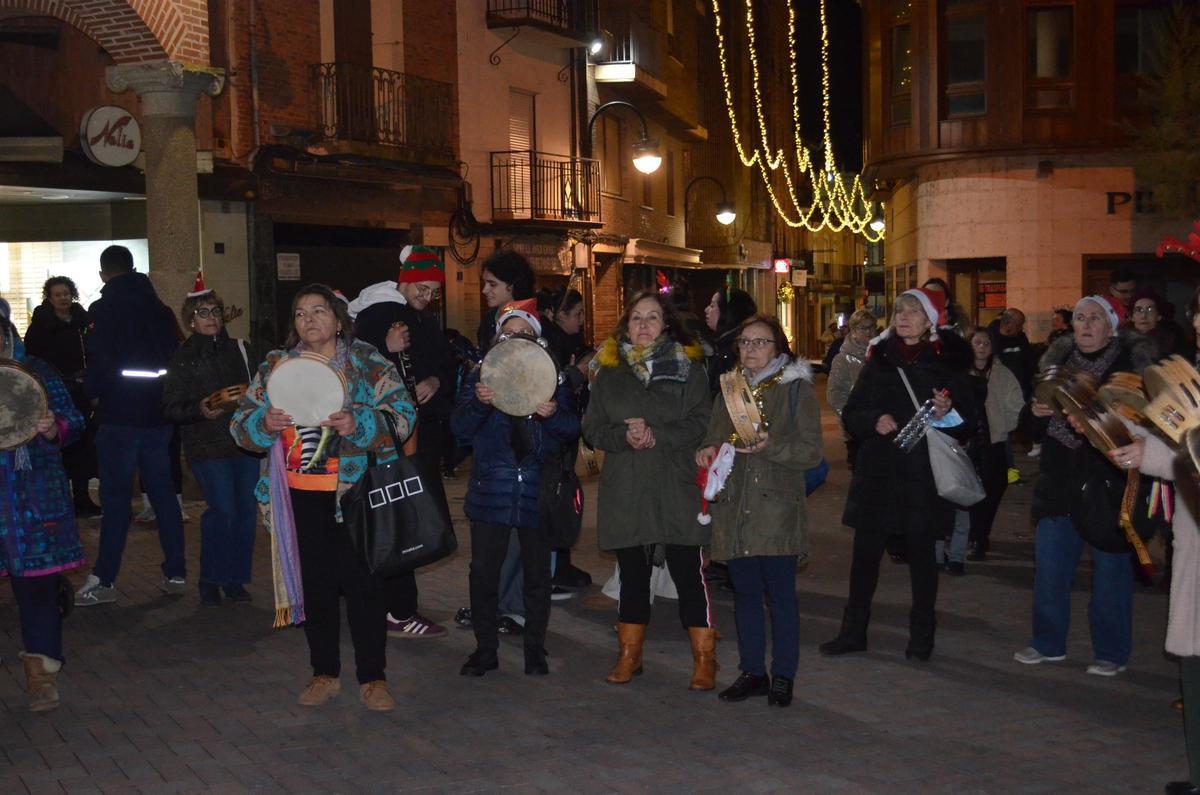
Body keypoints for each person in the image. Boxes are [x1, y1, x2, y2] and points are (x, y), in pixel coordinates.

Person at [230, 284, 416, 711]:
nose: (309, 319)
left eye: (318, 310)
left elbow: (404, 415)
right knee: (315, 587)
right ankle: (324, 673)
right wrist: (264, 423)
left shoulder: (366, 361)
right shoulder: (276, 365)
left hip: (356, 494)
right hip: (299, 496)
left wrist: (360, 422)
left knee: (365, 588)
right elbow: (240, 424)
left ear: (338, 318)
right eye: (300, 313)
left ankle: (373, 678)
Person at [819, 287, 975, 661]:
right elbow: (852, 412)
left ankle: (922, 636)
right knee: (864, 559)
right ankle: (853, 632)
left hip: (921, 479)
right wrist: (874, 420)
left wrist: (947, 413)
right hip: (878, 476)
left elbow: (968, 425)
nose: (902, 317)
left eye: (912, 311)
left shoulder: (947, 364)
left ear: (930, 320)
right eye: (899, 311)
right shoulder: (880, 360)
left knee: (922, 562)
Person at [1013, 294, 1154, 676]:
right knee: (1050, 570)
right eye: (1079, 318)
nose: (1086, 325)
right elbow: (1029, 429)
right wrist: (1035, 412)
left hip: (1107, 485)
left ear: (1111, 326)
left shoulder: (1131, 369)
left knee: (1110, 574)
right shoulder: (1054, 367)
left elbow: (1141, 426)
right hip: (1059, 484)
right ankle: (1047, 643)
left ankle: (1111, 652)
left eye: (1095, 318)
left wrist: (1098, 417)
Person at [582, 290, 715, 689]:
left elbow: (702, 422)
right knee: (633, 575)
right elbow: (592, 428)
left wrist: (659, 434)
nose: (643, 325)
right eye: (636, 318)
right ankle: (630, 654)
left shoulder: (688, 368)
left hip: (675, 484)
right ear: (626, 325)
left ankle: (705, 658)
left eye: (652, 317)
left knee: (688, 571)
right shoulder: (609, 373)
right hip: (628, 486)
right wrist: (623, 436)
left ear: (666, 325)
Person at [697, 315, 822, 708]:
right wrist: (706, 450)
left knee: (781, 597)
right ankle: (752, 671)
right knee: (746, 595)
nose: (750, 349)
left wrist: (772, 447)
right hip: (736, 509)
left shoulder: (795, 388)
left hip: (776, 508)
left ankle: (783, 674)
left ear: (778, 347)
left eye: (760, 342)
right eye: (745, 342)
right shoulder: (729, 388)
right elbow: (713, 435)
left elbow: (811, 452)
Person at [451, 300, 579, 677]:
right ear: (497, 338)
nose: (517, 338)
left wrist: (553, 416)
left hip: (536, 491)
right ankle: (485, 649)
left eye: (524, 332)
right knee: (484, 573)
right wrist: (480, 405)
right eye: (509, 332)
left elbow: (571, 430)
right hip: (491, 489)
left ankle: (534, 649)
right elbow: (459, 430)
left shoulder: (551, 377)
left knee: (537, 575)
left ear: (537, 338)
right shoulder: (481, 375)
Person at [349, 245, 455, 639]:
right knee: (399, 519)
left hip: (416, 435)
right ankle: (398, 609)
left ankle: (393, 604)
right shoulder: (377, 314)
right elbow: (355, 365)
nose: (426, 297)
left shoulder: (420, 318)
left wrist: (436, 381)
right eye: (421, 289)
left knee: (407, 517)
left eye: (433, 292)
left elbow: (443, 363)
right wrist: (385, 348)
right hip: (387, 438)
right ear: (405, 281)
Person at [74, 245, 185, 607]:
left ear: (104, 274)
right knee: (163, 495)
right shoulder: (160, 310)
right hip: (157, 416)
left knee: (116, 500)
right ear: (133, 268)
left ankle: (104, 579)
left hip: (119, 416)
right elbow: (173, 358)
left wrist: (91, 393)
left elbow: (100, 360)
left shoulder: (103, 309)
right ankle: (176, 572)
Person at [0, 299, 85, 711]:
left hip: (32, 499)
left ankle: (41, 674)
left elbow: (75, 419)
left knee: (37, 588)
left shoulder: (37, 371)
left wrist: (55, 427)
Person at [161, 282, 260, 606]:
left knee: (245, 513)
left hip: (243, 442)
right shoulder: (183, 358)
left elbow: (260, 388)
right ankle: (210, 579)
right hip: (207, 445)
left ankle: (235, 579)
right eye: (203, 313)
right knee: (223, 511)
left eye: (215, 311)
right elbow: (170, 406)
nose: (211, 317)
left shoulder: (240, 349)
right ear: (191, 321)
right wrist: (199, 409)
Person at [23, 276, 100, 517]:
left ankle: (82, 496)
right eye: (58, 295)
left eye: (66, 293)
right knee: (60, 444)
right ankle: (63, 497)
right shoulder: (41, 326)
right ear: (49, 297)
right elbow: (34, 359)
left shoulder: (83, 321)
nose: (63, 298)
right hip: (54, 393)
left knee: (83, 444)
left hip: (81, 392)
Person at [538, 286, 594, 590]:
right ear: (557, 314)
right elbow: (556, 387)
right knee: (556, 500)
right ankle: (552, 572)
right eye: (577, 314)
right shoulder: (551, 344)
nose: (581, 320)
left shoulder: (569, 341)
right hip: (554, 440)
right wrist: (576, 374)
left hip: (563, 434)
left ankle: (560, 566)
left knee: (562, 499)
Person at [963, 328, 1024, 563]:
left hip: (994, 442)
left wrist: (1001, 425)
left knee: (992, 492)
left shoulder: (1002, 374)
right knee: (970, 493)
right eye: (977, 342)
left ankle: (981, 534)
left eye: (986, 342)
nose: (982, 346)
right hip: (968, 443)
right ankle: (975, 536)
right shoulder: (961, 372)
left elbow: (1016, 406)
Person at [826, 308, 877, 470]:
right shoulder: (843, 359)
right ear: (853, 331)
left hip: (880, 424)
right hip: (856, 429)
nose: (868, 332)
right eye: (863, 328)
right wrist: (852, 418)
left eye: (871, 327)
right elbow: (835, 394)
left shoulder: (881, 355)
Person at [476, 250, 536, 355]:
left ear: (512, 285)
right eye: (484, 283)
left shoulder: (528, 320)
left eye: (492, 284)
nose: (484, 290)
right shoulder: (489, 318)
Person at [703, 287, 757, 395]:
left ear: (728, 312)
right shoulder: (723, 344)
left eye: (712, 306)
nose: (706, 309)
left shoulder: (735, 349)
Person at [1131, 288, 1183, 358]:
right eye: (1139, 310)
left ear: (1159, 316)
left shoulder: (1171, 343)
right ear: (1132, 317)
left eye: (1150, 310)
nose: (1144, 316)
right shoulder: (1121, 342)